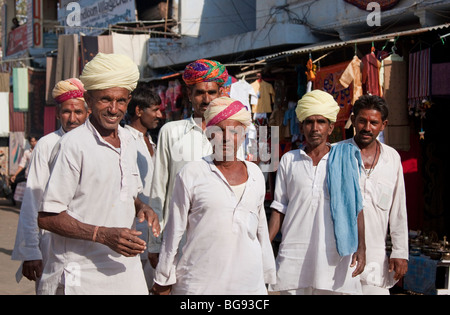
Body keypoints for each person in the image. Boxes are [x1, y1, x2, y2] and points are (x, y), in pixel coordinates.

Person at [37, 53, 160, 295]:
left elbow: (121, 192)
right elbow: (47, 217)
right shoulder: (73, 145)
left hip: (126, 272)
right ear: (89, 101)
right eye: (106, 99)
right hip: (81, 275)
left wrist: (141, 207)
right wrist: (102, 234)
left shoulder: (127, 140)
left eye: (121, 101)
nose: (114, 109)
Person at [151, 97, 276, 295]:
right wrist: (164, 277)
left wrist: (268, 271)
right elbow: (174, 232)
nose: (226, 137)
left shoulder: (255, 175)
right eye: (218, 131)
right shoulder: (191, 173)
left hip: (248, 285)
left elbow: (260, 228)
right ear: (208, 134)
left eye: (234, 132)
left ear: (243, 135)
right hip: (198, 285)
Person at [268, 90, 366, 295]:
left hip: (333, 254)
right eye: (309, 122)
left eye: (321, 122)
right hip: (294, 251)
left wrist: (362, 247)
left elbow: (355, 206)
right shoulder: (289, 160)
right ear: (301, 126)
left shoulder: (345, 159)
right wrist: (264, 245)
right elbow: (279, 207)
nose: (315, 128)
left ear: (331, 127)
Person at [147, 59, 229, 268]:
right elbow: (159, 189)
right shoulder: (171, 132)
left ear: (221, 94)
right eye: (200, 92)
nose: (206, 99)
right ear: (190, 95)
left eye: (212, 92)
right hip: (178, 240)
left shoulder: (232, 135)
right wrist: (155, 243)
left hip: (221, 240)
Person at [11, 78, 89, 290]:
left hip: (89, 245)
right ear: (57, 114)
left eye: (78, 112)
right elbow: (32, 200)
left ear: (87, 113)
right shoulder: (47, 145)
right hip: (52, 243)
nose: (72, 118)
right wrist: (31, 252)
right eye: (66, 112)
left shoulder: (95, 144)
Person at [342, 94, 408, 295]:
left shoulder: (392, 158)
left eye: (374, 122)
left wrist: (400, 251)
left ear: (383, 125)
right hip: (340, 258)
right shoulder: (336, 154)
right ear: (353, 121)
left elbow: (398, 209)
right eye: (362, 121)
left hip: (376, 259)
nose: (367, 127)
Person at [124, 83, 162, 289]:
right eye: (154, 109)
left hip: (152, 228)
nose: (159, 114)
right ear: (139, 110)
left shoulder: (151, 141)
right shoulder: (125, 140)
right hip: (135, 227)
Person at [10, 136, 38, 204]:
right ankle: (13, 199)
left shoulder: (39, 151)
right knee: (14, 181)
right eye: (32, 141)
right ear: (29, 142)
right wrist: (15, 175)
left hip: (38, 175)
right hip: (28, 174)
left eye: (35, 141)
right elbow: (22, 164)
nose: (33, 143)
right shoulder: (27, 152)